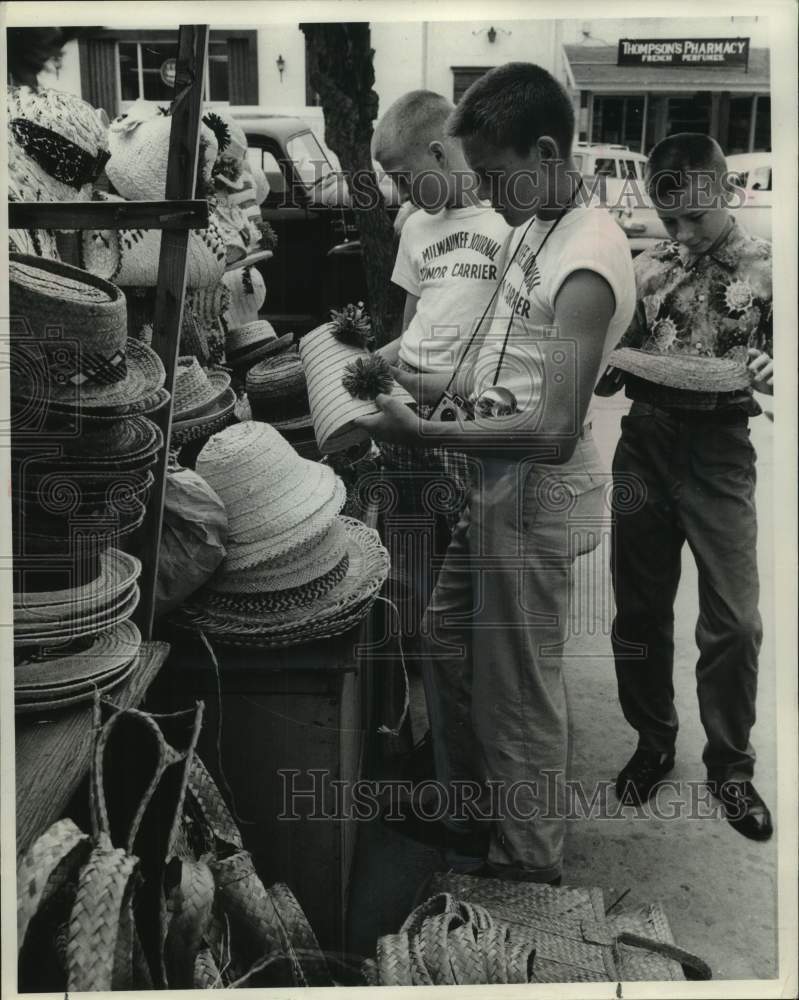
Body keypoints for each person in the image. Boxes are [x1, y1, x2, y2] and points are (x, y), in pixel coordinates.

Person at [358, 63, 636, 884]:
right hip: (489, 487)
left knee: (517, 686)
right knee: (446, 644)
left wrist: (416, 418)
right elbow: (489, 370)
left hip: (534, 493)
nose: (480, 189)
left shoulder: (586, 257)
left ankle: (526, 860)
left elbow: (550, 428)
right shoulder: (529, 227)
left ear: (545, 151)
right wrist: (403, 382)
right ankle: (467, 807)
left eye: (488, 173)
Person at [597, 133, 773, 841]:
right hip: (644, 443)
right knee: (639, 612)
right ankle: (653, 740)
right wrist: (604, 363)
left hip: (720, 451)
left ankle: (730, 766)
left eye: (694, 218)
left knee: (734, 621)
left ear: (724, 191)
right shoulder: (647, 270)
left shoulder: (769, 270)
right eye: (668, 221)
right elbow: (617, 363)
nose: (681, 234)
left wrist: (768, 368)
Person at [370, 91, 511, 648]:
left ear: (437, 151)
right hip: (408, 408)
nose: (399, 194)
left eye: (404, 179)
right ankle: (418, 666)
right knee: (409, 545)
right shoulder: (414, 227)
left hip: (463, 414)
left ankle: (466, 665)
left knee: (467, 549)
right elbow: (411, 330)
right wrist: (371, 360)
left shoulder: (507, 221)